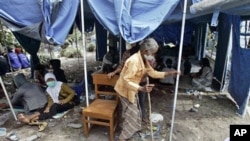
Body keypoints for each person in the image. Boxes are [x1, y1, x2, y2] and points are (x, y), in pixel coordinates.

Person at [114, 38, 179, 141]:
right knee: (132, 113)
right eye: (152, 54)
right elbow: (126, 81)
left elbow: (152, 72)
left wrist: (169, 73)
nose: (153, 56)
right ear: (145, 51)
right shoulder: (134, 61)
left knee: (136, 112)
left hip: (131, 89)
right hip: (124, 90)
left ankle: (132, 131)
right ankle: (122, 138)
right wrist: (141, 88)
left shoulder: (144, 60)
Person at [108, 42, 149, 122]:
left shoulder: (144, 54)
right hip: (131, 83)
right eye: (132, 42)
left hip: (141, 81)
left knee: (141, 101)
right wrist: (114, 72)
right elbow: (121, 66)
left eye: (134, 42)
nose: (132, 44)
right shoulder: (127, 53)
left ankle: (142, 116)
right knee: (131, 102)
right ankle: (131, 120)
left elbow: (148, 67)